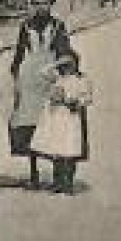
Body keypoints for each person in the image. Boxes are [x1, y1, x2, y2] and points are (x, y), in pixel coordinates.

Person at [8, 0, 73, 190]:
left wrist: (61, 76)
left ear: (51, 4)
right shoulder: (26, 26)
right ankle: (34, 173)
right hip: (30, 79)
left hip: (50, 77)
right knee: (30, 126)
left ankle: (57, 174)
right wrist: (16, 78)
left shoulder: (58, 26)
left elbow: (64, 52)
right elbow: (19, 54)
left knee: (52, 125)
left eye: (44, 3)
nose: (40, 8)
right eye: (36, 4)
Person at [30, 51, 93, 195]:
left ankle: (68, 183)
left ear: (76, 64)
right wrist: (56, 64)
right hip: (56, 120)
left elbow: (88, 97)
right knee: (56, 152)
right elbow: (42, 72)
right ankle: (57, 183)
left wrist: (76, 101)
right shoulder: (57, 78)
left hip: (71, 119)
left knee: (70, 152)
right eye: (65, 65)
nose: (67, 67)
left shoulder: (82, 79)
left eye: (70, 64)